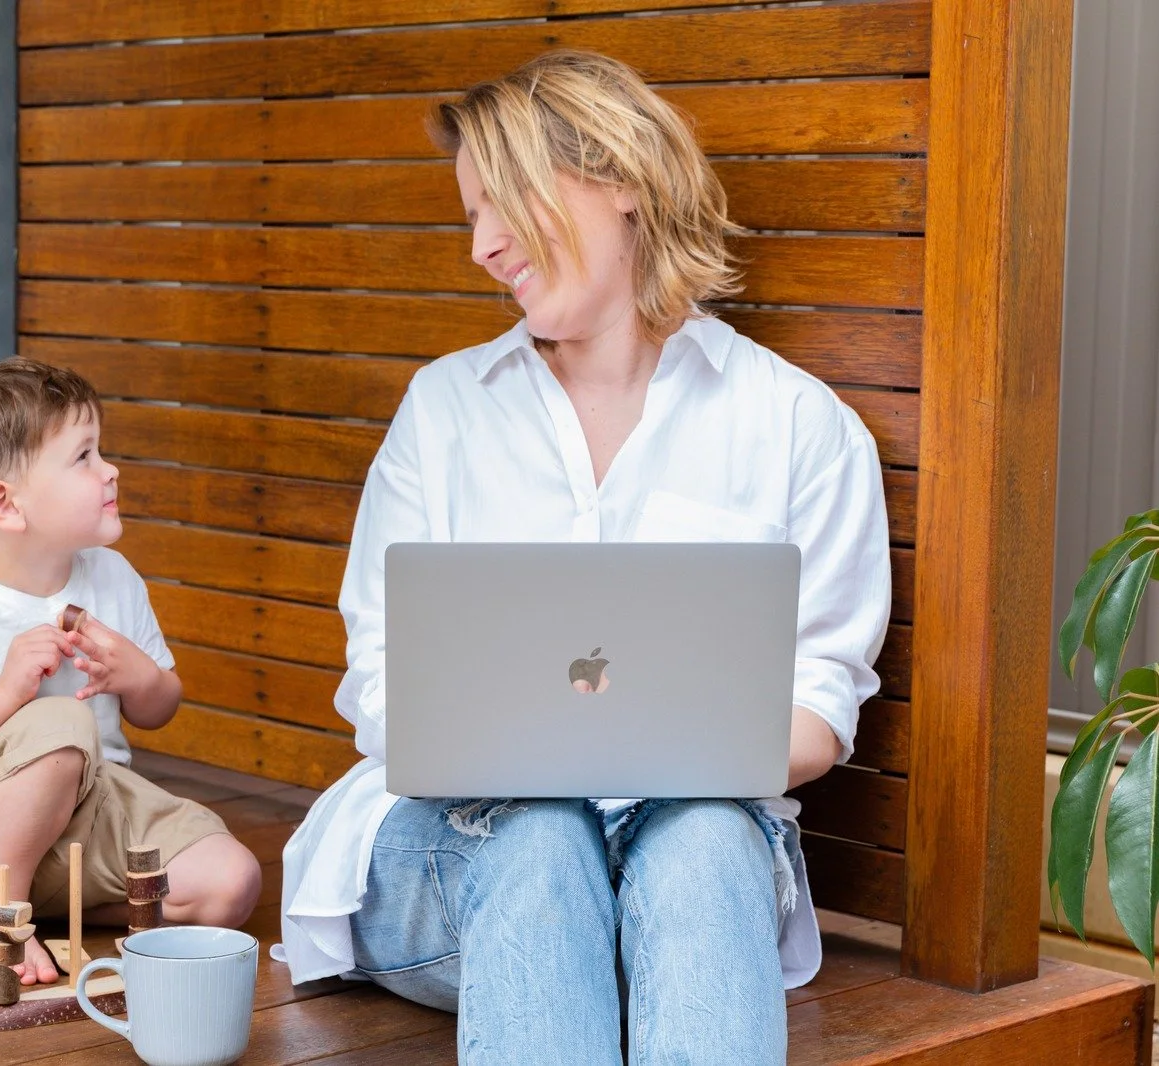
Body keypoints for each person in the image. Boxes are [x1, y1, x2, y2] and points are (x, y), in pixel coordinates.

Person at [276, 51, 891, 1064]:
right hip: (459, 846)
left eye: (502, 204)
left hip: (700, 859)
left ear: (618, 182)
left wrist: (637, 764)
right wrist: (547, 764)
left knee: (695, 835)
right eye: (468, 216)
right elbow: (383, 680)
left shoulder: (797, 426)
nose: (481, 247)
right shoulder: (445, 411)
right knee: (544, 834)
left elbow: (817, 711)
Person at [0, 359, 262, 984]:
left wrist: (136, 674)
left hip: (93, 809)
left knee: (231, 885)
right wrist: (6, 694)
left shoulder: (110, 576)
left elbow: (158, 709)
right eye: (83, 456)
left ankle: (22, 907)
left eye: (100, 449)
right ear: (5, 503)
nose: (109, 469)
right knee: (58, 721)